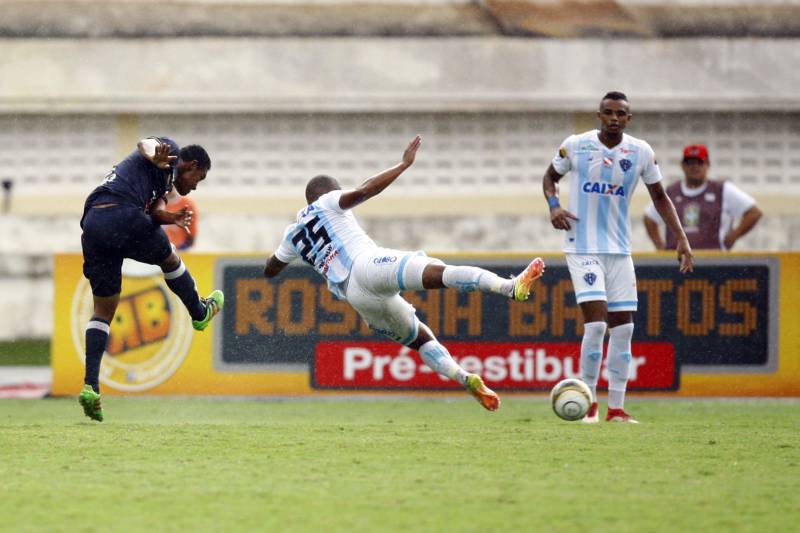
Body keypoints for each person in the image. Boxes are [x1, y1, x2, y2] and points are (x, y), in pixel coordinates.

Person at [263, 135, 545, 412]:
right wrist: (403, 165)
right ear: (328, 192)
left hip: (357, 297)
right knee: (440, 273)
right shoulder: (327, 202)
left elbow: (271, 269)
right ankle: (509, 288)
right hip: (367, 264)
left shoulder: (292, 234)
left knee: (420, 340)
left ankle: (463, 377)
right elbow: (365, 190)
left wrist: (295, 255)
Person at [542, 91, 694, 424]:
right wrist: (554, 207)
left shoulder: (640, 152)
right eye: (608, 112)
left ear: (629, 118)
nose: (614, 118)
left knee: (624, 330)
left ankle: (617, 409)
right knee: (596, 325)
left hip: (619, 250)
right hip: (582, 247)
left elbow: (660, 197)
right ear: (599, 115)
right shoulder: (577, 145)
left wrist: (681, 238)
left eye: (620, 114)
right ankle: (590, 404)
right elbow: (550, 178)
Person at [78, 136, 224, 421]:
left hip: (94, 224)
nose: (195, 186)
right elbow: (144, 143)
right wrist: (154, 155)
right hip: (122, 215)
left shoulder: (163, 181)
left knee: (104, 310)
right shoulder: (169, 153)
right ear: (192, 165)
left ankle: (90, 387)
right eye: (199, 178)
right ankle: (199, 311)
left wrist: (172, 218)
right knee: (169, 257)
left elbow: (155, 211)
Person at [643, 144, 763, 251]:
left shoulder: (722, 190)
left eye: (699, 162)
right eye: (689, 163)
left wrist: (734, 236)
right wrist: (660, 246)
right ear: (682, 166)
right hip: (677, 262)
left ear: (707, 164)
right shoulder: (671, 192)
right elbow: (649, 218)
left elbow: (754, 212)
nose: (694, 167)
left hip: (713, 261)